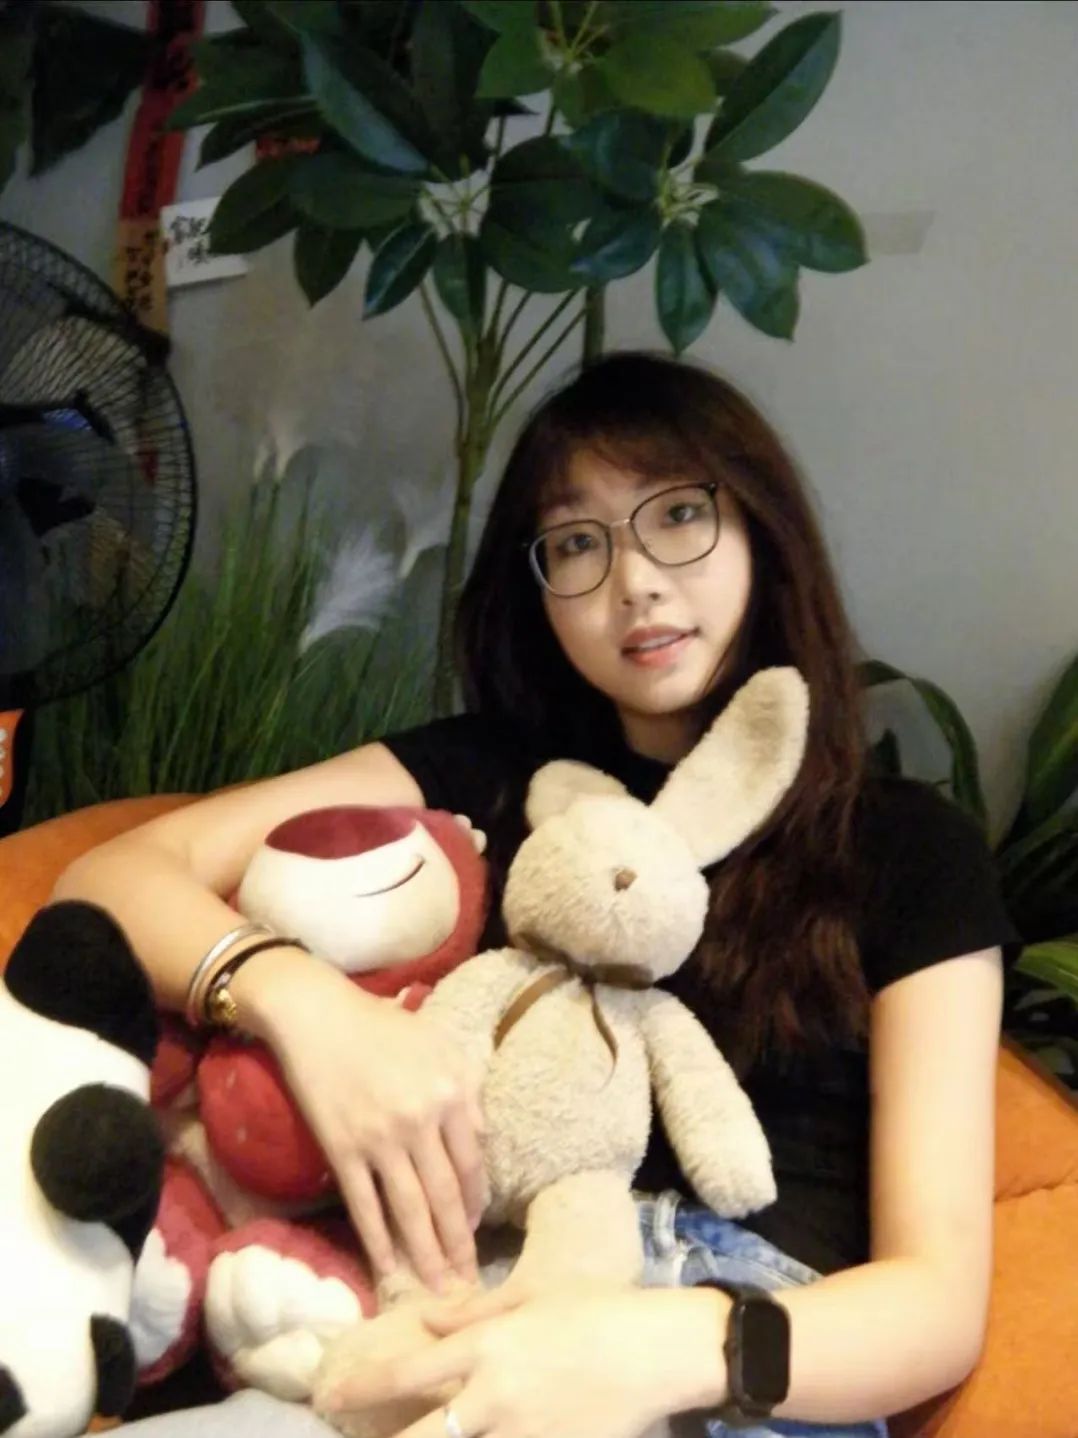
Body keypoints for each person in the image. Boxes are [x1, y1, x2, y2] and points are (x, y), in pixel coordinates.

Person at [55, 353, 1020, 1438]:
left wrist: (644, 1350)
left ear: (762, 529)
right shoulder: (485, 774)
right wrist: (311, 1013)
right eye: (575, 543)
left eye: (679, 515)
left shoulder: (906, 845)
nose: (634, 581)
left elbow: (936, 1304)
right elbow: (111, 878)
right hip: (450, 1310)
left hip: (725, 1356)